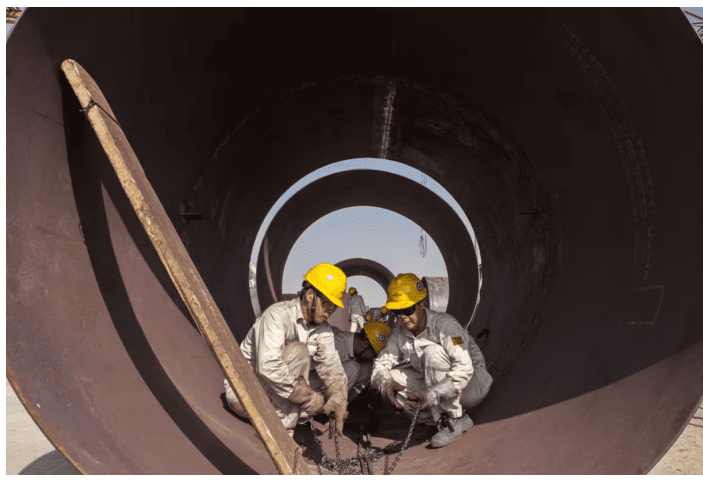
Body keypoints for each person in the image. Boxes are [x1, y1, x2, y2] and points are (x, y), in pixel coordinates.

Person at [224, 263, 349, 437]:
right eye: (327, 305)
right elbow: (269, 366)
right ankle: (281, 434)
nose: (329, 313)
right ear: (310, 296)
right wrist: (309, 398)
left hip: (274, 396)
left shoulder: (323, 330)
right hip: (245, 392)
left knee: (336, 379)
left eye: (333, 308)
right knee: (300, 352)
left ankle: (285, 419)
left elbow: (333, 368)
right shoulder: (277, 315)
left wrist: (338, 399)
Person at [370, 273, 493, 448]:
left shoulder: (445, 325)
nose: (403, 317)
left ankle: (455, 419)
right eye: (397, 312)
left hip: (472, 384)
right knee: (393, 377)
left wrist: (433, 393)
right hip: (436, 383)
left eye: (408, 310)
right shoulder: (399, 331)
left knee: (433, 353)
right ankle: (434, 422)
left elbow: (464, 367)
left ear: (421, 304)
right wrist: (384, 383)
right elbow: (381, 363)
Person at [309, 321, 392, 404]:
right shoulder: (337, 345)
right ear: (366, 342)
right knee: (353, 368)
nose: (372, 357)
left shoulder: (348, 341)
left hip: (320, 379)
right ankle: (325, 407)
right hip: (308, 383)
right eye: (373, 353)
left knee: (367, 368)